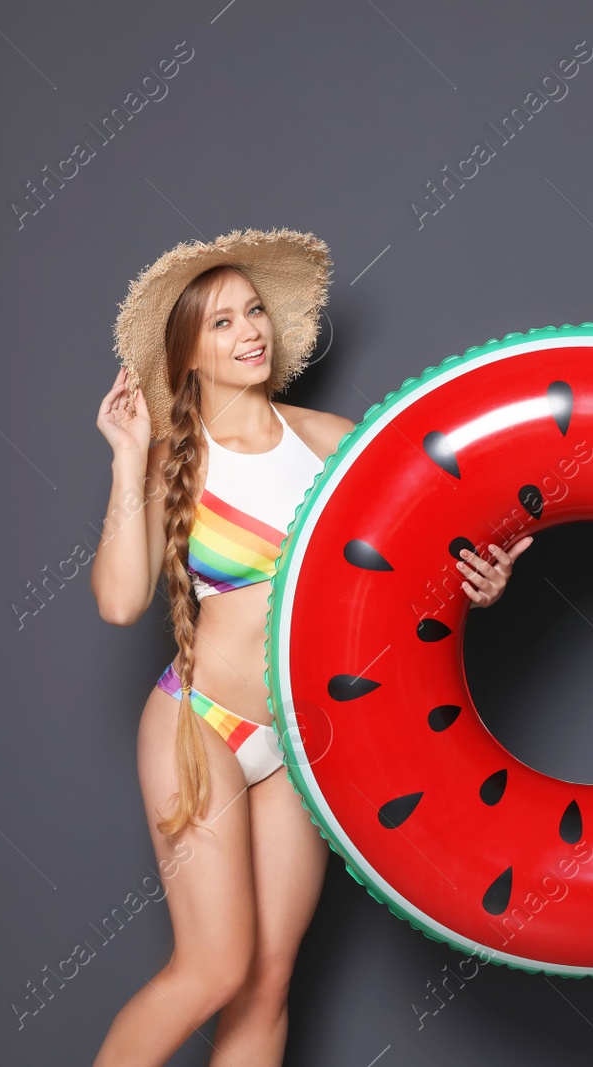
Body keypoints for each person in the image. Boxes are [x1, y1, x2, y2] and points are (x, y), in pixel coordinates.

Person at [88, 228, 529, 1066]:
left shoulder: (330, 439)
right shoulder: (171, 461)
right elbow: (118, 603)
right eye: (221, 323)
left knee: (268, 980)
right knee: (211, 968)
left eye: (253, 311)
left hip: (299, 743)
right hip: (201, 726)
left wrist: (486, 580)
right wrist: (123, 459)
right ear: (186, 350)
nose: (250, 331)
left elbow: (432, 552)